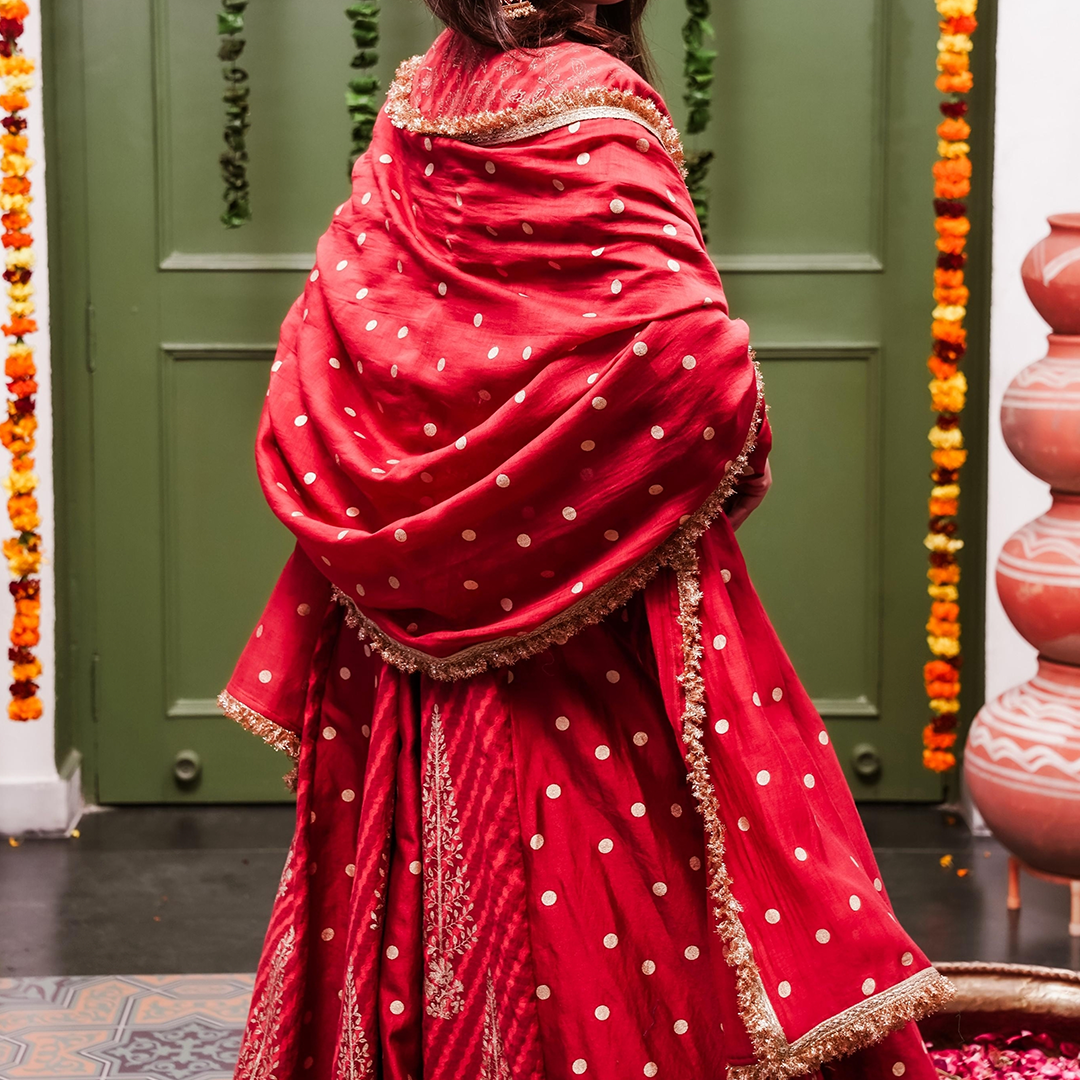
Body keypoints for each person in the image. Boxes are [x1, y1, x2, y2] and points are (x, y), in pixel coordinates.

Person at [220, 1, 953, 1076]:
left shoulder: (427, 92)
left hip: (401, 624)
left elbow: (352, 328)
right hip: (580, 651)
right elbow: (698, 370)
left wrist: (463, 498)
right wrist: (590, 484)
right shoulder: (597, 108)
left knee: (434, 889)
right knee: (598, 906)